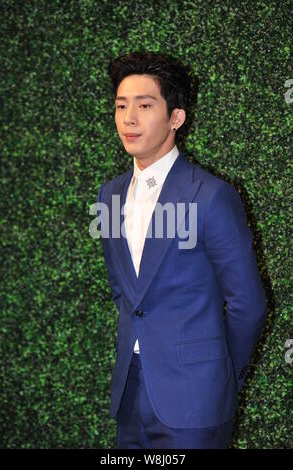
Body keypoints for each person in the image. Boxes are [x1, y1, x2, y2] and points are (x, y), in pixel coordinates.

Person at [97, 51, 267, 449]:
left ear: (176, 117)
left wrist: (221, 376)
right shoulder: (109, 195)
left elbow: (248, 305)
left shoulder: (211, 196)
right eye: (121, 106)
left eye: (144, 105)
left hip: (196, 400)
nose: (129, 118)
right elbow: (123, 292)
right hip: (130, 391)